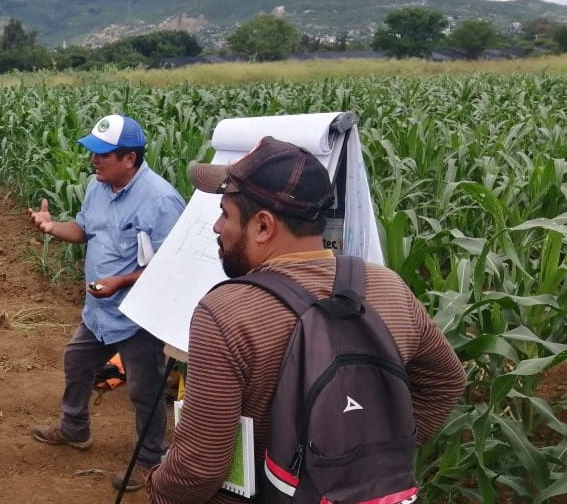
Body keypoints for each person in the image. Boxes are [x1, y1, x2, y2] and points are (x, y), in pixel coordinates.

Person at [145, 136, 466, 503]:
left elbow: (198, 468)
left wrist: (158, 486)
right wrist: (372, 460)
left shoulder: (225, 314)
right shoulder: (387, 286)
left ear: (263, 226)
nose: (218, 228)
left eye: (225, 214)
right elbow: (446, 381)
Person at [28, 114, 186, 492]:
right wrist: (52, 227)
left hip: (137, 315)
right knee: (76, 360)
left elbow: (173, 265)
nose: (94, 161)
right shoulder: (98, 186)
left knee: (143, 392)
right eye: (93, 153)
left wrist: (122, 281)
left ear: (129, 159)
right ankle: (74, 429)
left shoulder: (161, 199)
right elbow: (84, 229)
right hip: (99, 312)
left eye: (103, 154)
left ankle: (150, 460)